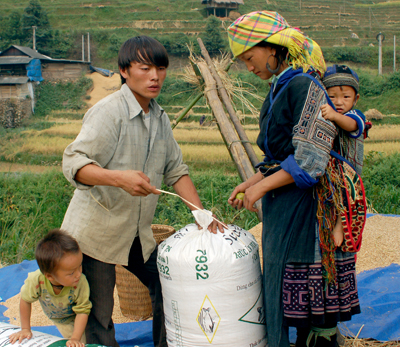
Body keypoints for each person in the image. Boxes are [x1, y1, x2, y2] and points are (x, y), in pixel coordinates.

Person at [61, 35, 222, 347]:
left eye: (161, 69)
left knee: (168, 282)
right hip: (97, 233)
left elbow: (177, 170)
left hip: (136, 232)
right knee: (98, 313)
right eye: (145, 68)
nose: (155, 77)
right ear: (124, 71)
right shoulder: (110, 112)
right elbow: (73, 163)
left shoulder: (160, 118)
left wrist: (203, 217)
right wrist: (118, 178)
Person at [227, 11, 360, 347]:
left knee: (311, 304)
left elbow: (310, 161)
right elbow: (276, 156)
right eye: (243, 60)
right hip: (284, 204)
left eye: (250, 57)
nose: (249, 66)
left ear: (273, 49)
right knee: (288, 291)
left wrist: (259, 189)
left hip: (309, 207)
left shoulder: (305, 87)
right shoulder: (278, 90)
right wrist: (251, 182)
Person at [9, 229, 90, 347]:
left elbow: (82, 311)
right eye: (71, 272)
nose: (79, 274)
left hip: (75, 317)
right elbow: (25, 300)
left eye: (80, 266)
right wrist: (25, 328)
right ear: (50, 276)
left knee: (82, 342)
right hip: (59, 319)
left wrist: (75, 338)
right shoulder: (36, 280)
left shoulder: (80, 282)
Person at [321, 64, 367, 247]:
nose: (339, 102)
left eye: (346, 97)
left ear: (355, 99)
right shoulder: (326, 113)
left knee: (346, 195)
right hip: (330, 169)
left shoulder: (355, 115)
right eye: (332, 96)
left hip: (349, 169)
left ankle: (340, 226)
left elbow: (350, 125)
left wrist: (333, 115)